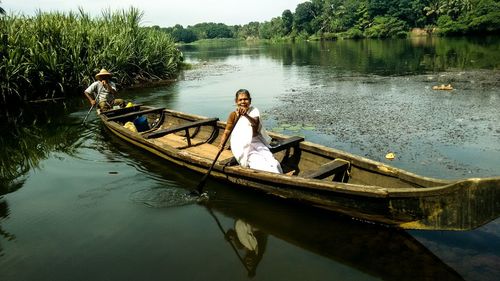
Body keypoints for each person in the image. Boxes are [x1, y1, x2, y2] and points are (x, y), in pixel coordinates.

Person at [219, 89, 283, 174]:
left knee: (274, 163)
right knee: (258, 163)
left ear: (250, 100)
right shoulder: (233, 115)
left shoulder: (254, 111)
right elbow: (227, 131)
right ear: (236, 101)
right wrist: (221, 144)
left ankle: (277, 175)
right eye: (240, 100)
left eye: (245, 99)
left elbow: (255, 123)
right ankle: (273, 177)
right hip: (241, 144)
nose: (243, 102)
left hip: (256, 141)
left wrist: (245, 115)